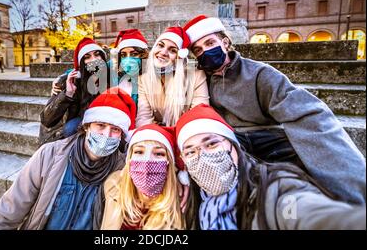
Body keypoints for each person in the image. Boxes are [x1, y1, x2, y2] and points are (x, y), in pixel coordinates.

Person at [183, 14, 366, 205]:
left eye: (210, 43)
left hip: (267, 137)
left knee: (307, 168)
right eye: (198, 49)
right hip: (230, 141)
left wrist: (350, 176)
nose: (206, 51)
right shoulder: (200, 81)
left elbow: (302, 109)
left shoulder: (259, 73)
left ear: (226, 43)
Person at [176, 104, 366, 230]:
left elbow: (309, 213)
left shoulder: (274, 187)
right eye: (190, 152)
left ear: (233, 145)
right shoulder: (194, 201)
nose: (203, 157)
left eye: (211, 144)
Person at [0, 87, 136, 230]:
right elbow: (11, 209)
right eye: (100, 125)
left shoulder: (123, 171)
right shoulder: (50, 155)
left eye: (115, 129)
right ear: (86, 127)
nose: (106, 135)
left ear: (122, 135)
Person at [97, 124, 196, 230]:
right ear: (129, 159)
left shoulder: (181, 199)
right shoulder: (113, 185)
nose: (147, 160)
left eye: (158, 154)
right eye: (139, 152)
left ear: (168, 162)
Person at [39, 38, 109, 144]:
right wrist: (67, 94)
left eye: (97, 54)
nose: (94, 60)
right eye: (87, 57)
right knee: (71, 127)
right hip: (66, 135)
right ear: (81, 63)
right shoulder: (69, 81)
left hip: (95, 127)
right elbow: (46, 120)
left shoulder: (108, 78)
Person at [136, 27, 209, 127]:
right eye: (160, 45)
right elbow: (143, 117)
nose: (163, 52)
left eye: (172, 50)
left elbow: (199, 116)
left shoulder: (196, 76)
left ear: (179, 58)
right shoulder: (143, 79)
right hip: (157, 134)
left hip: (185, 133)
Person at [110, 29, 149, 106]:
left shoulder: (149, 79)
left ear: (143, 55)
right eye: (123, 55)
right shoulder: (117, 77)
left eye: (134, 54)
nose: (128, 59)